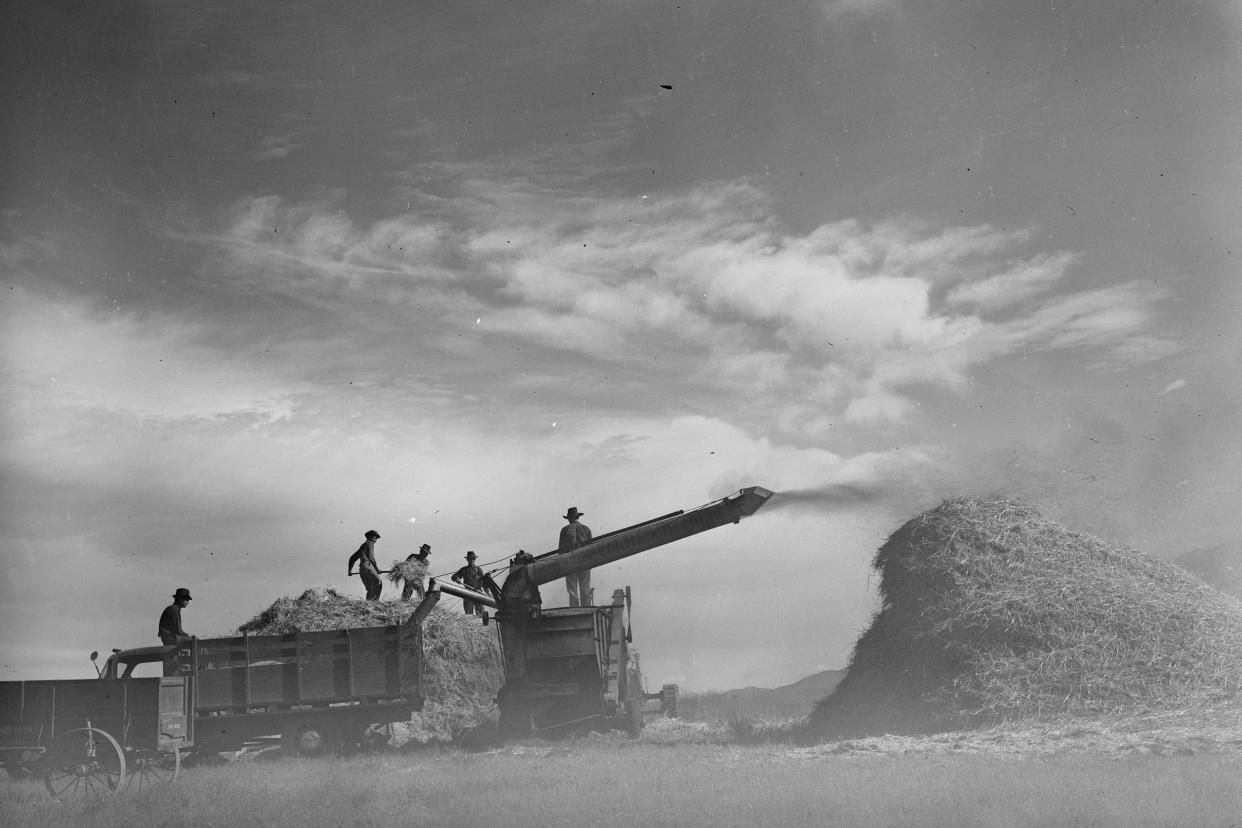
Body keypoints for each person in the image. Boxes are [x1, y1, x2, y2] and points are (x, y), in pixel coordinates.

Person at [559, 506, 593, 606]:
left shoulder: (564, 530)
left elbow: (561, 550)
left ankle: (575, 609)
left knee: (572, 588)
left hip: (569, 563)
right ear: (578, 517)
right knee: (585, 587)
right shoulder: (586, 529)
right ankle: (586, 607)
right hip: (585, 562)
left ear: (569, 518)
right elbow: (592, 549)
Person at [348, 530, 383, 601]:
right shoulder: (370, 543)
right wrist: (376, 568)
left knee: (370, 589)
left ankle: (369, 605)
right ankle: (374, 603)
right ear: (370, 537)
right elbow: (371, 557)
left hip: (362, 570)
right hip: (368, 567)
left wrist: (350, 570)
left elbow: (352, 558)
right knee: (378, 584)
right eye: (375, 537)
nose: (376, 539)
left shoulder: (363, 545)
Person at [452, 551, 486, 616]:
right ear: (467, 559)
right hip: (467, 593)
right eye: (470, 558)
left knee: (481, 614)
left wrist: (488, 593)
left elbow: (484, 582)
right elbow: (454, 577)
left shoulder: (479, 570)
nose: (472, 560)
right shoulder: (463, 570)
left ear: (475, 559)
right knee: (469, 614)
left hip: (478, 593)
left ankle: (482, 626)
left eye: (473, 558)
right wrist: (457, 579)